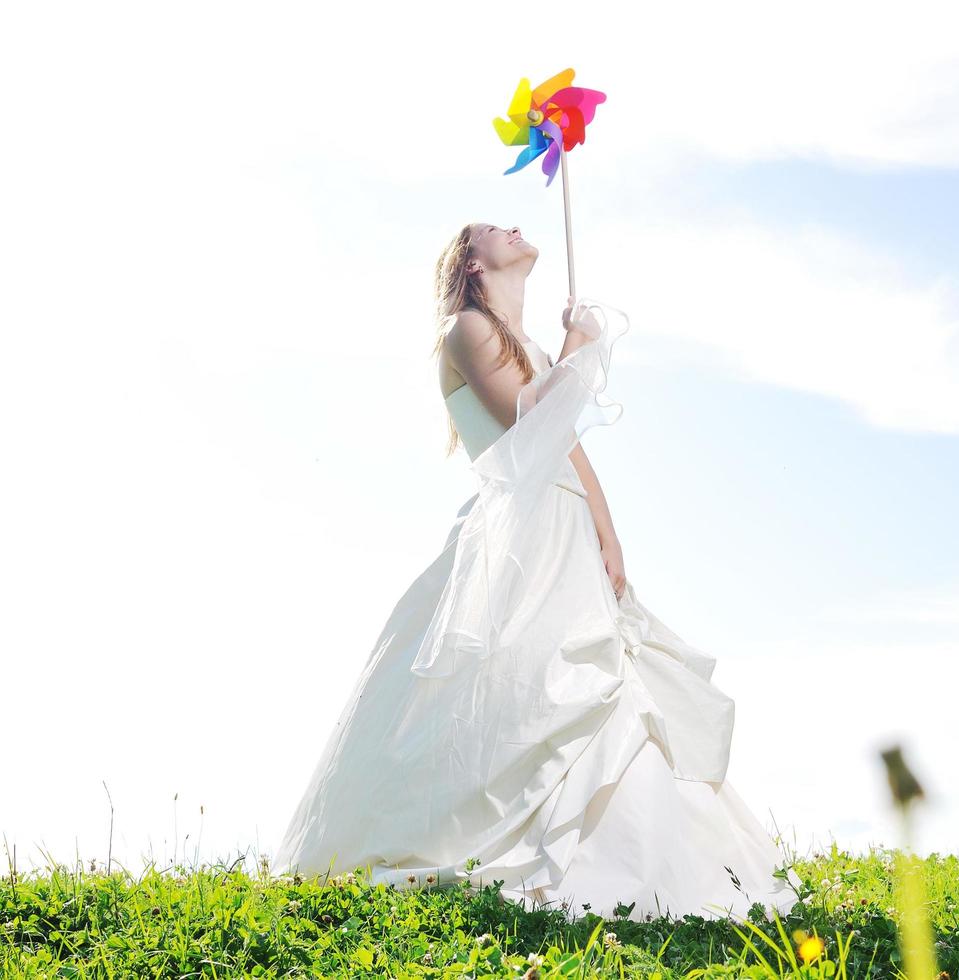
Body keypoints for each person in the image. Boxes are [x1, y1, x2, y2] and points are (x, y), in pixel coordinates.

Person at [269, 222, 801, 922]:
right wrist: (580, 349)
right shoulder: (464, 329)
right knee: (528, 684)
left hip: (566, 524)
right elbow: (529, 425)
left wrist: (608, 533)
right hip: (523, 534)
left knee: (604, 683)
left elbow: (572, 451)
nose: (513, 227)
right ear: (472, 261)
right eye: (494, 228)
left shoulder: (536, 348)